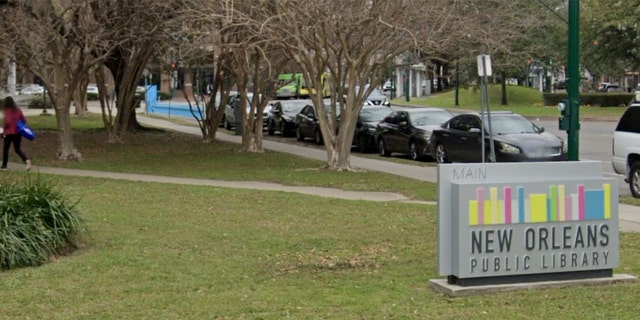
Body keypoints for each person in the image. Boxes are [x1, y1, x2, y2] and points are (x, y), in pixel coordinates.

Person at [1, 96, 32, 171]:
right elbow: (24, 120)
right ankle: (26, 160)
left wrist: (3, 128)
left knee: (6, 149)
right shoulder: (18, 110)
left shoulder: (7, 110)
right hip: (18, 132)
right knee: (17, 149)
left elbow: (8, 122)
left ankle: (4, 165)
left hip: (9, 133)